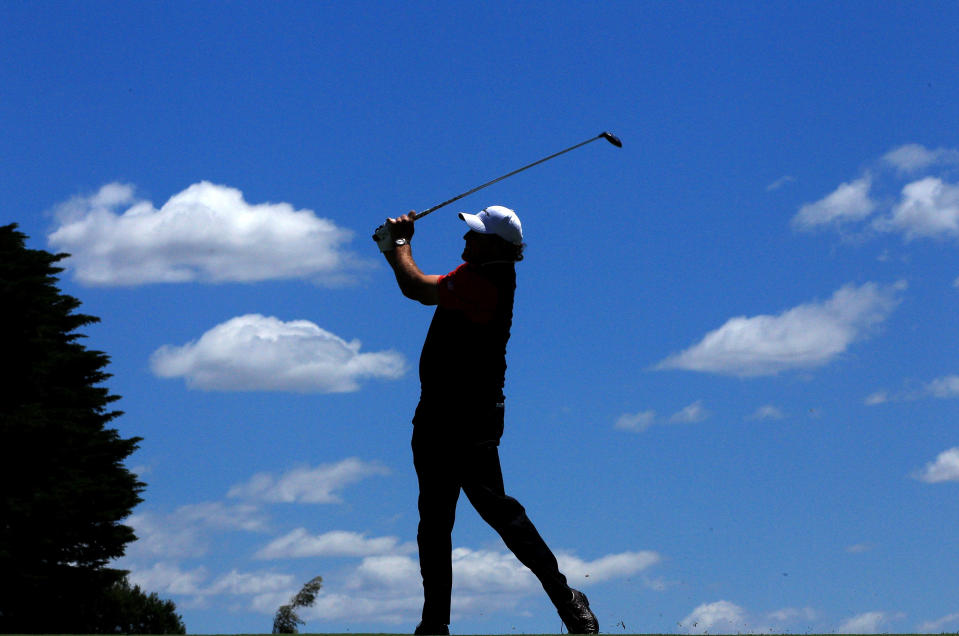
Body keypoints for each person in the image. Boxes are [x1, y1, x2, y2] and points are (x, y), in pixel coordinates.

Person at [373, 206, 599, 635]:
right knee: (434, 521)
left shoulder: (486, 280)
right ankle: (434, 623)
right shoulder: (476, 270)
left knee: (499, 512)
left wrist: (399, 243)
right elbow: (417, 285)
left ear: (495, 244)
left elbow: (418, 289)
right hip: (436, 414)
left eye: (474, 235)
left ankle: (567, 598)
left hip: (469, 417)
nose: (465, 240)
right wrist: (392, 247)